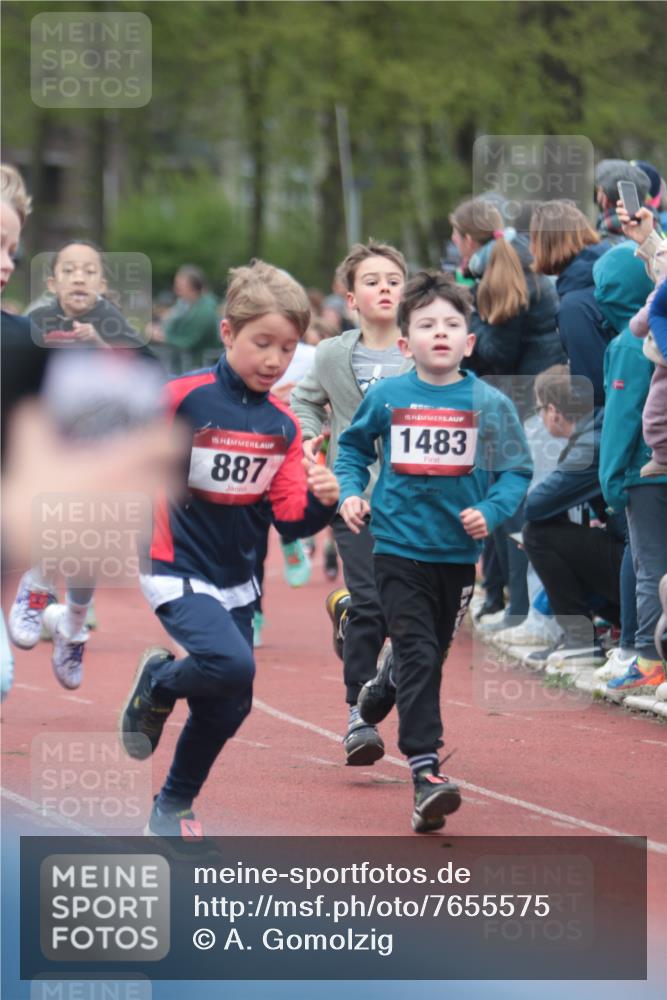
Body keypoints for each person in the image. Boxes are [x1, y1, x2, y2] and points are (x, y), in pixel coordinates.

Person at [119, 260, 339, 837]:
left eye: (288, 349)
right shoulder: (180, 398)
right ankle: (160, 683)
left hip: (237, 578)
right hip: (173, 563)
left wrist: (321, 496)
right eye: (261, 343)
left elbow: (292, 522)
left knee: (232, 702)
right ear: (227, 333)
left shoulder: (285, 427)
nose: (274, 360)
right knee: (232, 663)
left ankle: (171, 809)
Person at [334, 271, 532, 832]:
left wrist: (491, 512)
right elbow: (350, 449)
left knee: (427, 655)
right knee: (422, 656)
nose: (440, 333)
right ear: (405, 344)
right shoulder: (389, 396)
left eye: (452, 324)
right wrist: (350, 492)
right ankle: (425, 772)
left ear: (469, 342)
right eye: (426, 325)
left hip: (456, 557)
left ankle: (379, 690)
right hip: (397, 548)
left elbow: (516, 470)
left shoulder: (489, 402)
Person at [8, 239, 154, 684]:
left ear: (102, 283)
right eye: (69, 271)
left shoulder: (114, 324)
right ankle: (35, 589)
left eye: (89, 272)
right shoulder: (35, 320)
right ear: (52, 282)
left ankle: (72, 628)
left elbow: (149, 373)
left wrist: (108, 344)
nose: (78, 278)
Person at [291, 240, 408, 766]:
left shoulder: (422, 347)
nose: (384, 288)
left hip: (414, 499)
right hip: (353, 493)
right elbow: (303, 399)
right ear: (351, 297)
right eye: (372, 281)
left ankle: (343, 614)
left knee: (408, 613)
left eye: (393, 280)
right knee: (371, 602)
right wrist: (311, 438)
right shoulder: (333, 354)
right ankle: (359, 715)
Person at [450, 197, 564, 633]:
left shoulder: (500, 273)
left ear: (466, 238)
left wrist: (466, 329)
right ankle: (504, 598)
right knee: (505, 501)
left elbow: (499, 351)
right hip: (522, 398)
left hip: (524, 402)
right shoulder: (509, 260)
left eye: (456, 238)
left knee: (511, 506)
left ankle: (521, 609)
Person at [595, 243, 667, 693]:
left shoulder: (629, 342)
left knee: (650, 567)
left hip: (646, 472)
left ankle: (649, 658)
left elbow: (622, 418)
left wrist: (611, 481)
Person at [522, 366, 625, 669]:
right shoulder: (598, 429)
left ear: (553, 411)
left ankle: (581, 640)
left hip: (643, 570)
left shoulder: (589, 444)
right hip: (638, 564)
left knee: (537, 534)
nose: (541, 417)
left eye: (539, 409)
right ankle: (588, 634)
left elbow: (535, 506)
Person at [530, 200, 613, 408]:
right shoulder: (606, 271)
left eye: (533, 240)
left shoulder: (574, 306)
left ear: (545, 244)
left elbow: (592, 390)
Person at [160, 265, 221, 367]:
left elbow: (189, 342)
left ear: (193, 288)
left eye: (179, 288)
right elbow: (171, 323)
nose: (176, 291)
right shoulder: (186, 304)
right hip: (188, 360)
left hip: (199, 364)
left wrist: (164, 337)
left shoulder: (205, 311)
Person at [594, 159, 651, 243]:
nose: (597, 197)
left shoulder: (602, 238)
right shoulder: (652, 227)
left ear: (605, 197)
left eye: (598, 190)